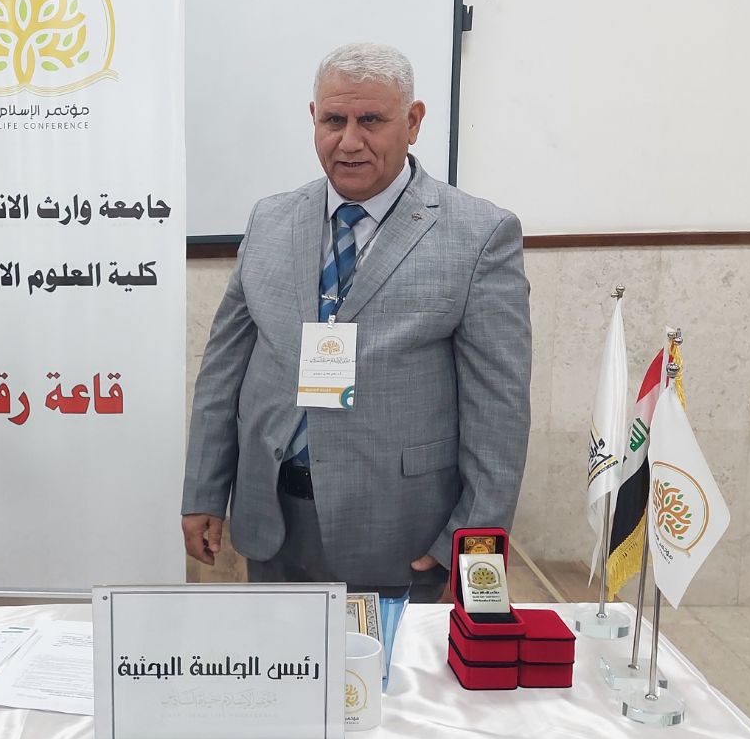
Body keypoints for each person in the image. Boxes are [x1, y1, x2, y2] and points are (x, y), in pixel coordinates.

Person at [182, 42, 530, 599]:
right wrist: (204, 489)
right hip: (272, 522)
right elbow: (224, 370)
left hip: (401, 537)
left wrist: (469, 544)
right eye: (333, 120)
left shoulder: (479, 236)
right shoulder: (270, 220)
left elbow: (499, 412)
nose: (348, 141)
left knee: (385, 663)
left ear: (413, 122)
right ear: (313, 119)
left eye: (371, 120)